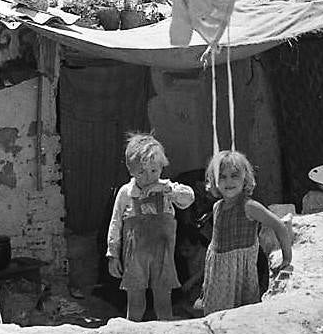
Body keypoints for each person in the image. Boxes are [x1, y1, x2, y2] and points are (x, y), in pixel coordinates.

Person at [106, 133, 195, 321]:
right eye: (141, 172)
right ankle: (133, 331)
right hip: (135, 255)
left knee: (163, 296)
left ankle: (165, 330)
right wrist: (113, 254)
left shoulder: (167, 189)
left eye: (153, 171)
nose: (148, 177)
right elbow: (115, 223)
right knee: (136, 298)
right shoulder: (126, 193)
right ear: (131, 170)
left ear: (161, 167)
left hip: (162, 252)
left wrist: (167, 189)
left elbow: (188, 198)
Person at [202, 150, 292, 315]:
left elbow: (279, 226)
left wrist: (287, 258)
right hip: (219, 275)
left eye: (234, 175)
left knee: (242, 315)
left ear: (245, 178)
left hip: (241, 274)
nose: (228, 181)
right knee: (217, 316)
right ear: (214, 181)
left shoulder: (249, 207)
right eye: (222, 176)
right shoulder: (217, 207)